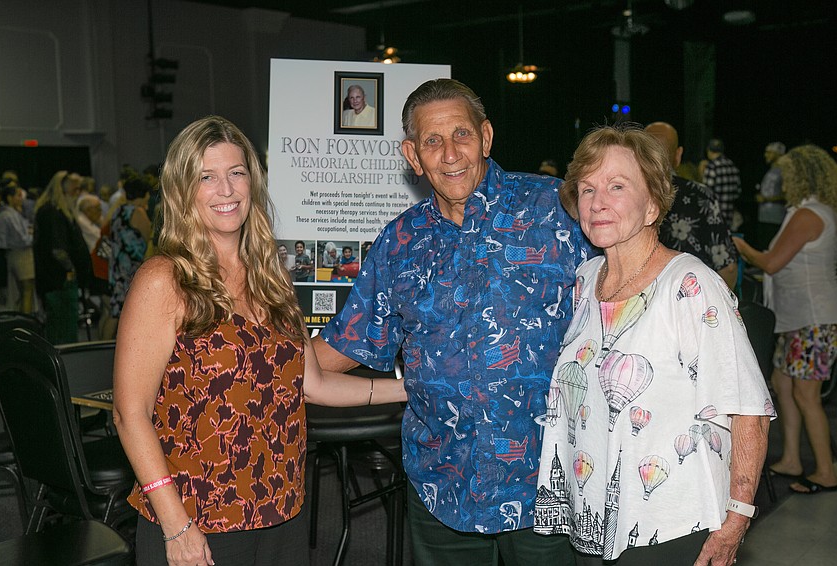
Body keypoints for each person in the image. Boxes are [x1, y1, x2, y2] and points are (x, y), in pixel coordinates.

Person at [313, 78, 589, 566]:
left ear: (485, 136)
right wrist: (255, 350)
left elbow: (631, 289)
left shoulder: (557, 210)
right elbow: (344, 346)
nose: (450, 154)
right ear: (412, 155)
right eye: (432, 141)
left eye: (461, 135)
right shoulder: (399, 243)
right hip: (443, 484)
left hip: (551, 483)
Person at [112, 115, 406, 566]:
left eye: (237, 173)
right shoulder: (165, 280)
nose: (226, 190)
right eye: (207, 177)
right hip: (198, 521)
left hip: (281, 512)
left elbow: (313, 385)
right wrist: (176, 526)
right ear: (181, 190)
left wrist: (410, 387)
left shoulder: (271, 277)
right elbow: (129, 413)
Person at [534, 125, 773, 566]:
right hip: (595, 517)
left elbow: (749, 408)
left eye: (617, 186)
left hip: (675, 523)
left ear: (652, 206)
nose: (598, 201)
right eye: (587, 189)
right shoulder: (586, 281)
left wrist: (737, 518)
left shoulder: (690, 284)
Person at [733, 144, 837, 495]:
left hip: (813, 319)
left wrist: (739, 244)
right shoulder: (812, 211)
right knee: (782, 385)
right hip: (800, 319)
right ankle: (792, 458)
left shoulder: (809, 214)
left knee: (807, 395)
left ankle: (826, 471)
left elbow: (772, 262)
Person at [644, 121, 738, 288]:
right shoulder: (699, 195)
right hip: (692, 303)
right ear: (678, 155)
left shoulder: (622, 195)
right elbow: (727, 267)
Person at [33, 171, 92, 343]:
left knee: (61, 325)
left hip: (57, 279)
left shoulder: (51, 211)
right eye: (75, 189)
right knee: (63, 327)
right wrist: (70, 270)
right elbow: (58, 249)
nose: (77, 193)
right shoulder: (54, 213)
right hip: (59, 280)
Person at [107, 175, 152, 327]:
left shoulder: (118, 210)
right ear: (144, 194)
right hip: (132, 268)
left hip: (118, 266)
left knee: (115, 311)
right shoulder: (138, 212)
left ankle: (102, 343)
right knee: (127, 312)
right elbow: (149, 238)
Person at [0, 182, 35, 313]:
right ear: (10, 198)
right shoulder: (8, 215)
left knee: (23, 292)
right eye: (17, 195)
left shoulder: (14, 213)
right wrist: (32, 235)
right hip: (20, 254)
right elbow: (21, 238)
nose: (21, 198)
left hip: (16, 254)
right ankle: (25, 322)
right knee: (26, 290)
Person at [754, 142, 787, 250]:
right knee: (763, 247)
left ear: (778, 154)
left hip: (775, 218)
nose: (766, 155)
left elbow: (787, 195)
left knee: (772, 248)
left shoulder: (784, 171)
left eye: (769, 152)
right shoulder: (771, 170)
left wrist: (767, 199)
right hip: (764, 217)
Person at [702, 138, 741, 229]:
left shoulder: (712, 166)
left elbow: (706, 194)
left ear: (709, 151)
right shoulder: (732, 165)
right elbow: (738, 192)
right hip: (729, 216)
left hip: (714, 217)